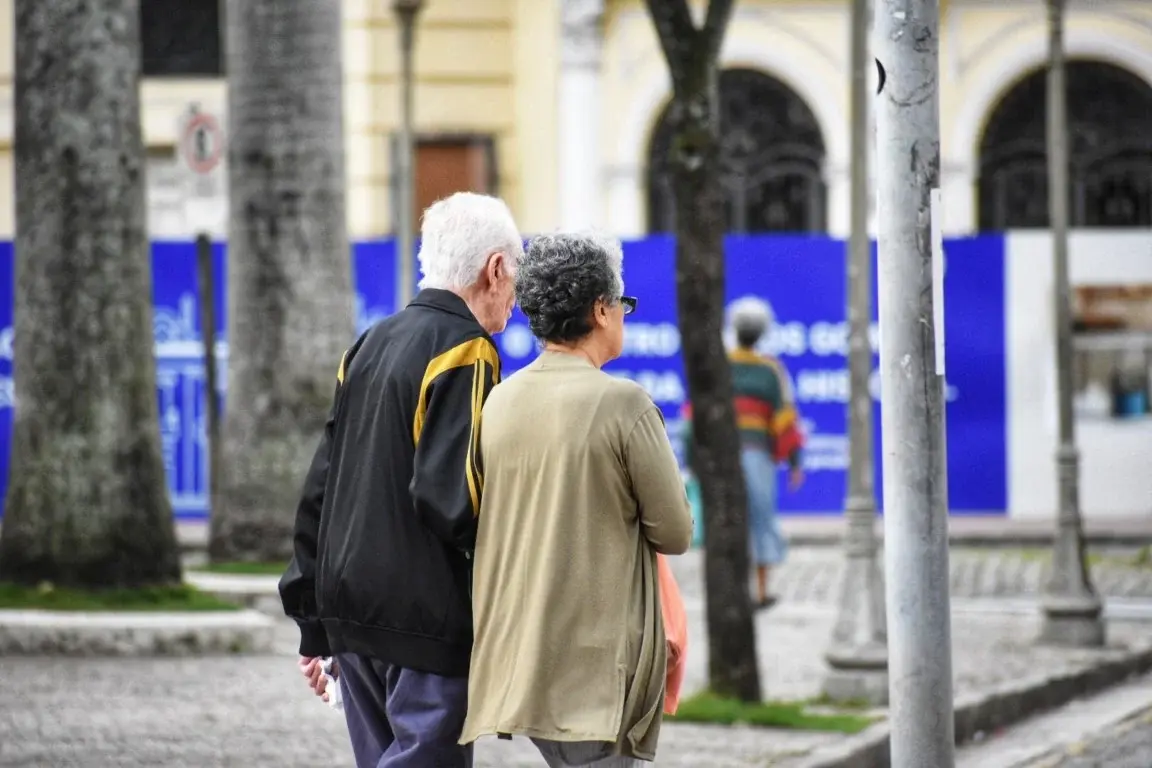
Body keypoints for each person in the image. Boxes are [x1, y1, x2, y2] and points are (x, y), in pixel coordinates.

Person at [278, 191, 523, 768]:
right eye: (516, 273)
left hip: (351, 609)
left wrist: (314, 624)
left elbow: (321, 489)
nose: (516, 295)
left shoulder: (368, 343)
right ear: (495, 269)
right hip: (423, 614)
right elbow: (452, 501)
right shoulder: (467, 349)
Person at [460, 232, 694, 767]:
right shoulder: (624, 404)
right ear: (601, 310)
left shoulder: (501, 399)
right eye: (623, 304)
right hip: (597, 667)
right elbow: (676, 532)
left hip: (521, 656)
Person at [681, 296, 805, 610]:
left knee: (723, 521)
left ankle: (728, 592)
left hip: (720, 458)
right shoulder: (771, 371)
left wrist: (693, 460)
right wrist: (794, 463)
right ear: (762, 332)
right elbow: (784, 420)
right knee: (762, 519)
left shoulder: (719, 366)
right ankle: (761, 591)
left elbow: (694, 418)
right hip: (757, 456)